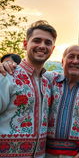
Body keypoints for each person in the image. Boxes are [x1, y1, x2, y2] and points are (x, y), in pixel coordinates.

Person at [0, 20, 57, 157]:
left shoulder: (47, 82)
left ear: (53, 49)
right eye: (37, 40)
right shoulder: (7, 75)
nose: (42, 46)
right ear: (25, 44)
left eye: (48, 43)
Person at [45, 45, 79, 158]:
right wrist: (8, 65)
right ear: (62, 61)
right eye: (71, 56)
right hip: (45, 153)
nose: (75, 61)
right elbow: (30, 71)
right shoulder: (48, 80)